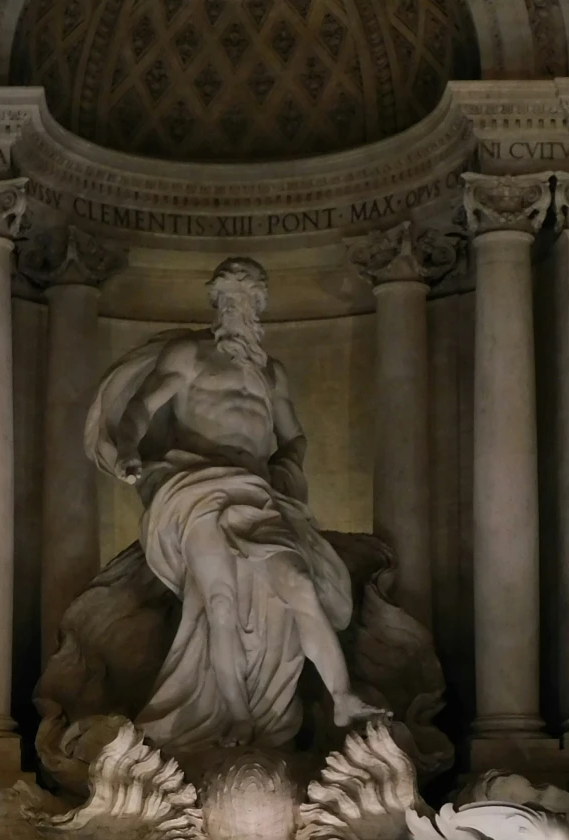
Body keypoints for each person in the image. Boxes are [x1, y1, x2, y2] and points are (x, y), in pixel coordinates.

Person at [83, 256, 381, 750]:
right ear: (215, 303)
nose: (237, 309)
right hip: (195, 486)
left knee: (299, 583)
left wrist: (287, 470)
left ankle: (342, 695)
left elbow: (294, 437)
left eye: (247, 300)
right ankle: (238, 718)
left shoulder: (272, 374)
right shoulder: (189, 355)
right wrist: (131, 448)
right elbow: (141, 408)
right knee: (218, 602)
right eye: (228, 299)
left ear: (261, 306)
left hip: (257, 492)